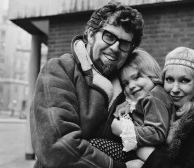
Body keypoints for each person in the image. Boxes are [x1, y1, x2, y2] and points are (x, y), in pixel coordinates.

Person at [29, 2, 144, 168]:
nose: (115, 48)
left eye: (125, 44)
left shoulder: (131, 86)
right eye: (109, 36)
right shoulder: (60, 70)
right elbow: (57, 148)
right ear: (90, 35)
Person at [138, 47, 194, 168]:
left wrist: (151, 156)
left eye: (184, 80)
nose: (175, 89)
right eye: (169, 79)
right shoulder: (163, 115)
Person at [90, 48, 173, 162]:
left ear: (151, 73)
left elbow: (157, 133)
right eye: (126, 83)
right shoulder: (147, 98)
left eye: (136, 77)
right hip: (141, 151)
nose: (132, 86)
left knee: (95, 145)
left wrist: (122, 130)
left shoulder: (153, 98)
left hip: (148, 154)